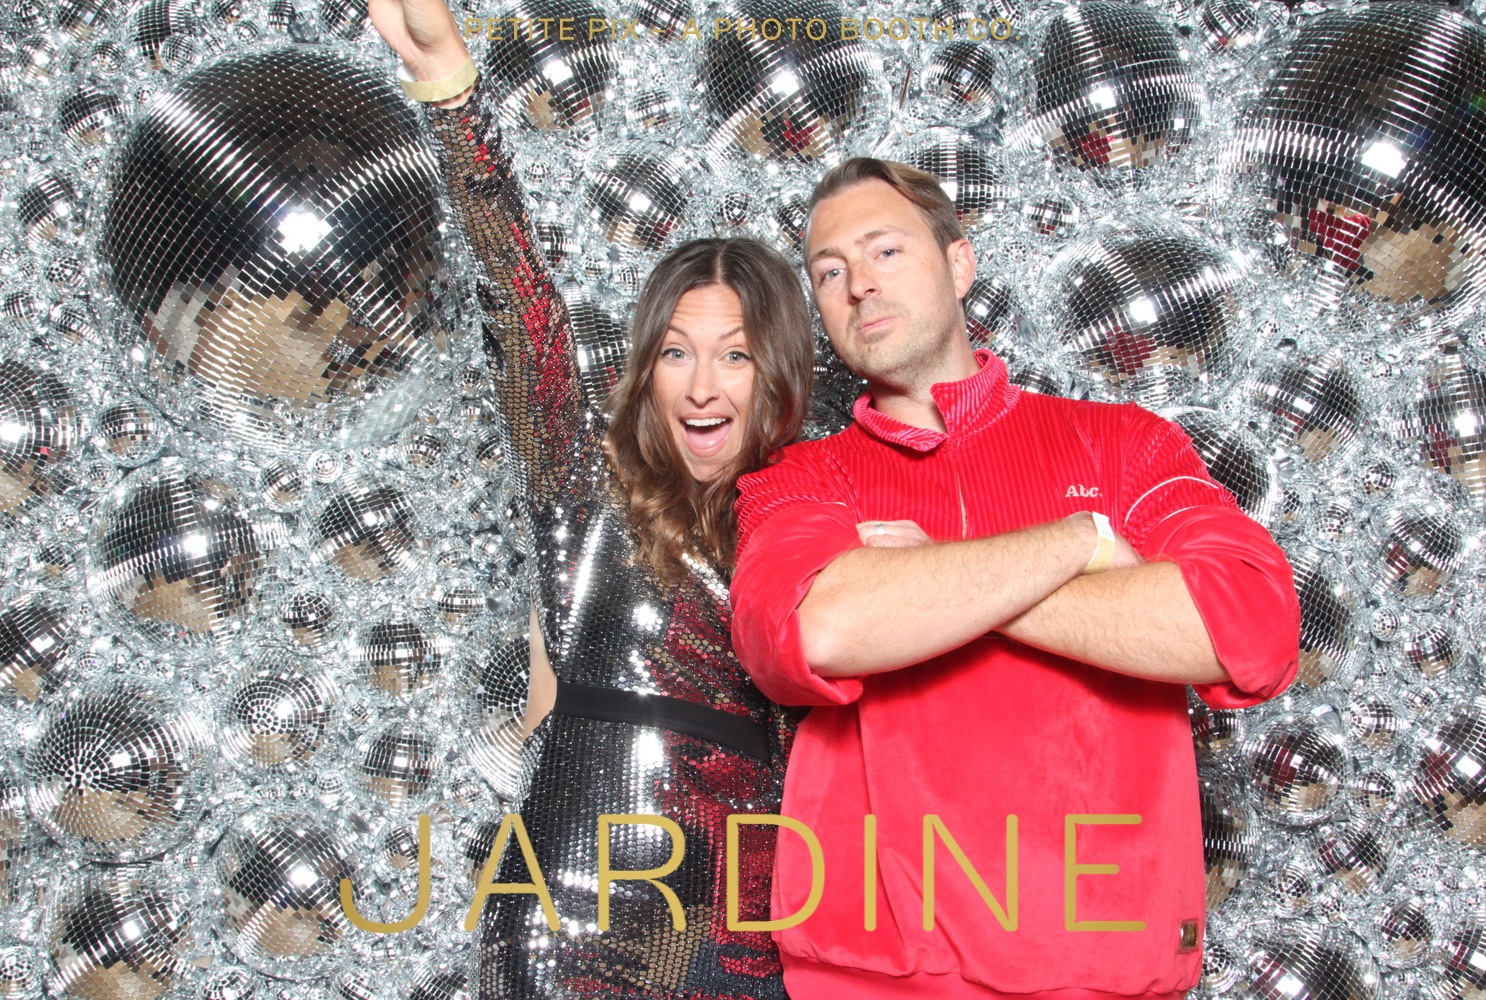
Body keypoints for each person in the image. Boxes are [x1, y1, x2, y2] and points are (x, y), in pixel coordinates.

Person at [729, 158, 1302, 1000]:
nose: (859, 285)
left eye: (885, 251)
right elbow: (813, 632)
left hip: (1102, 959)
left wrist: (930, 574)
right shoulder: (801, 479)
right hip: (875, 977)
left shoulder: (1125, 444)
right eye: (830, 271)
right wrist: (1084, 541)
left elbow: (1248, 629)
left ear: (959, 264)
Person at [367, 2, 813, 996]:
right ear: (647, 368)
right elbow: (518, 303)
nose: (703, 386)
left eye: (736, 356)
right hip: (571, 895)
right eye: (676, 353)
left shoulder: (813, 518)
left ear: (777, 375)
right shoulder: (586, 480)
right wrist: (452, 95)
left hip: (745, 928)